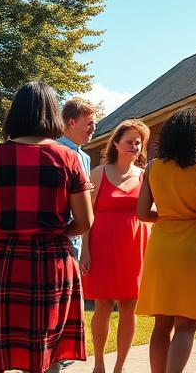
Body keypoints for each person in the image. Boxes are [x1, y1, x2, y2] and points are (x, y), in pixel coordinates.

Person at [0, 82, 92, 372]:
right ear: (53, 114)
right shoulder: (69, 158)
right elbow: (85, 221)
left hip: (0, 262)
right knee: (48, 358)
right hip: (52, 262)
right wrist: (58, 232)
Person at [137, 107, 196, 373]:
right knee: (186, 325)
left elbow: (142, 213)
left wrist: (169, 216)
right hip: (193, 250)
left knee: (161, 325)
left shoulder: (153, 168)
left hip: (161, 249)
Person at [83, 119, 152, 373]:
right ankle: (99, 364)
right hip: (101, 247)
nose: (134, 146)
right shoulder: (98, 173)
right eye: (129, 142)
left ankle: (120, 367)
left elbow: (152, 212)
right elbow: (87, 215)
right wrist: (85, 250)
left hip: (135, 248)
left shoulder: (145, 176)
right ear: (116, 143)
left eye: (138, 143)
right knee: (102, 305)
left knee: (129, 306)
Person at [58, 98, 97, 260]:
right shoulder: (54, 151)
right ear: (72, 122)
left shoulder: (85, 157)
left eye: (94, 124)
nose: (94, 129)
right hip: (59, 232)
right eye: (89, 124)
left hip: (76, 234)